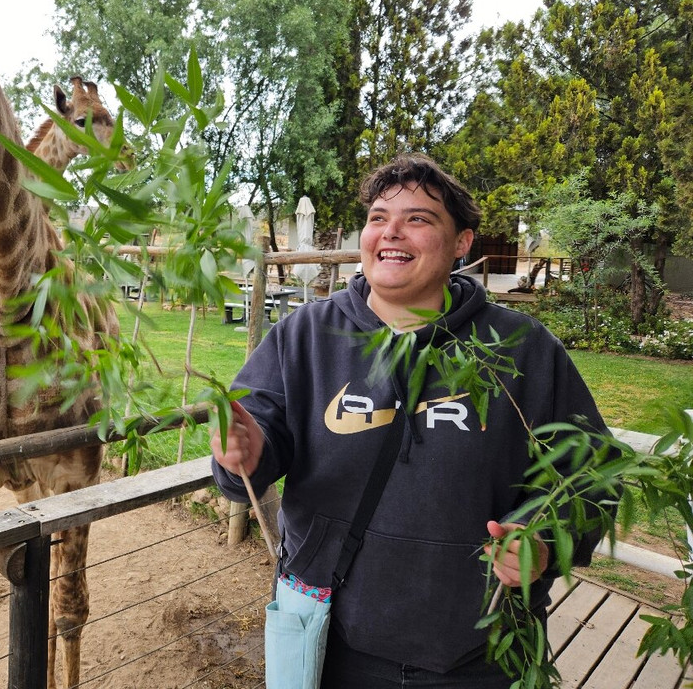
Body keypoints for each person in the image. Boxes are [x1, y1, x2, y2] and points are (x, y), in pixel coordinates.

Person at [211, 154, 615, 688]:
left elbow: (593, 477)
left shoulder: (524, 349)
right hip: (330, 643)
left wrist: (543, 538)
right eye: (378, 217)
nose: (391, 232)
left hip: (480, 654)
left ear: (463, 242)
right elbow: (250, 451)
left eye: (419, 219)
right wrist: (246, 449)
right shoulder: (302, 336)